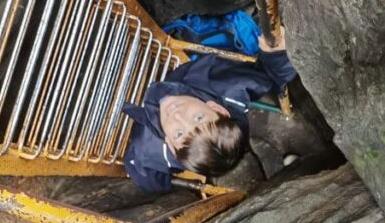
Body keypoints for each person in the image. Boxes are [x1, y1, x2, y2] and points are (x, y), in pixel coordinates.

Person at [122, 28, 297, 192]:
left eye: (179, 134)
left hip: (175, 100)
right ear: (217, 108)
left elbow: (141, 174)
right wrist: (276, 55)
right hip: (193, 84)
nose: (177, 116)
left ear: (170, 145)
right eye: (198, 118)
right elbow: (270, 77)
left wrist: (161, 183)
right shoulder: (230, 87)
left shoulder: (149, 148)